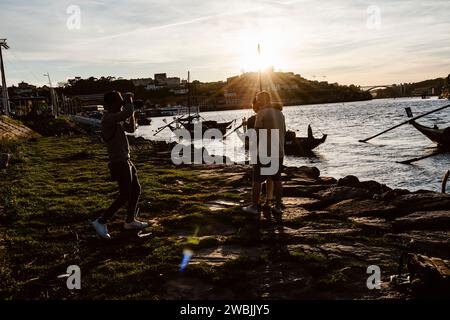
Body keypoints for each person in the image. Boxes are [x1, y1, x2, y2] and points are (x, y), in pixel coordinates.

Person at [92, 91, 148, 239]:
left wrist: (131, 112)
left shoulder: (116, 118)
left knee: (136, 189)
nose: (121, 103)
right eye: (119, 101)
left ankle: (129, 220)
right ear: (110, 104)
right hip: (118, 161)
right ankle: (101, 221)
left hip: (125, 159)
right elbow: (128, 111)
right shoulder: (108, 118)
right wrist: (130, 100)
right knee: (125, 194)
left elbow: (131, 129)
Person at [243, 91, 286, 216]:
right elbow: (283, 132)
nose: (257, 102)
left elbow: (257, 134)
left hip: (264, 151)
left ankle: (254, 207)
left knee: (257, 180)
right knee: (277, 179)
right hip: (278, 151)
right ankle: (277, 206)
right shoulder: (280, 114)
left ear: (261, 100)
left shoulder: (262, 113)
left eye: (258, 99)